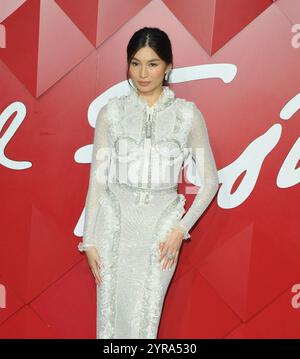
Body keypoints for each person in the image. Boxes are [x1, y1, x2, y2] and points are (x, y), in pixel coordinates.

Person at [77, 27, 219, 339]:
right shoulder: (112, 113)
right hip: (113, 225)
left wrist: (180, 229)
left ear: (168, 67)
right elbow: (98, 181)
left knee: (145, 321)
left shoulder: (187, 116)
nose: (143, 73)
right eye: (135, 63)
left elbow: (210, 181)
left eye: (152, 64)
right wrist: (89, 241)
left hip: (161, 230)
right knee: (110, 323)